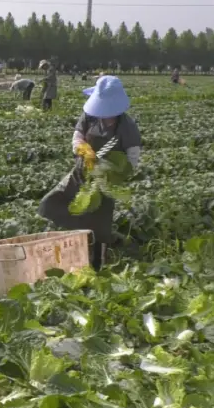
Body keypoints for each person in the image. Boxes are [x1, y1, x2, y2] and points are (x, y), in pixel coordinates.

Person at [38, 76, 142, 270]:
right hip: (80, 171)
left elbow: (132, 159)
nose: (104, 115)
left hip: (105, 181)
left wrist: (111, 171)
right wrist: (82, 149)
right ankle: (76, 239)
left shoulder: (127, 126)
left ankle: (97, 261)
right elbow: (77, 135)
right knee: (51, 203)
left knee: (99, 223)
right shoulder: (90, 116)